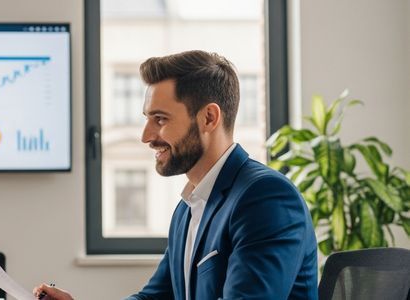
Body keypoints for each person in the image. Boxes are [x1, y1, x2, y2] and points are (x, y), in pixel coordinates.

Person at [34, 50, 318, 299]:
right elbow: (155, 297)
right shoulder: (188, 208)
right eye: (147, 119)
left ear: (209, 118)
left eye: (160, 119)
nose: (146, 136)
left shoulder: (265, 197)